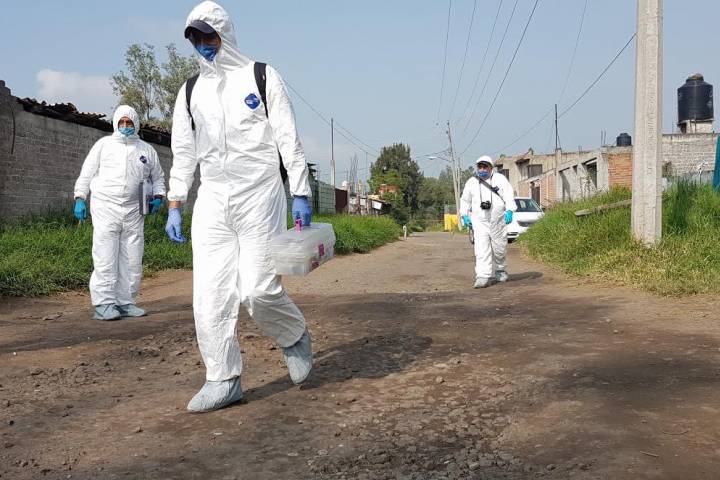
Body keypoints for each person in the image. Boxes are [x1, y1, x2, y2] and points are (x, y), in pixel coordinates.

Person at [165, 1, 314, 413]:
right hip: (212, 198)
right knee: (209, 294)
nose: (203, 44)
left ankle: (293, 335)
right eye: (195, 37)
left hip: (259, 194)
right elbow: (183, 152)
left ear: (225, 33)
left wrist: (300, 191)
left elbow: (287, 137)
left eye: (209, 35)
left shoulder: (261, 76)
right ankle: (223, 378)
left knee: (258, 290)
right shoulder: (190, 91)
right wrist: (176, 202)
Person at [74, 105, 166, 320]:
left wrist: (159, 196)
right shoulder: (103, 145)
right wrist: (80, 197)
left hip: (134, 210)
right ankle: (104, 303)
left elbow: (158, 177)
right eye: (122, 122)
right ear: (115, 123)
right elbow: (87, 173)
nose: (125, 126)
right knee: (105, 255)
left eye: (129, 122)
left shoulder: (146, 150)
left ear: (136, 124)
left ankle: (126, 301)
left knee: (132, 257)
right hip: (106, 207)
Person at [460, 155, 516, 288]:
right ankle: (482, 276)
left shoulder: (500, 179)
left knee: (499, 248)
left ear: (491, 167)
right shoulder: (471, 182)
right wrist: (464, 215)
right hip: (480, 221)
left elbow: (509, 196)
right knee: (481, 248)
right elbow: (465, 200)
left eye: (485, 166)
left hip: (497, 220)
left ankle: (500, 269)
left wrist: (509, 210)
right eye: (479, 166)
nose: (482, 169)